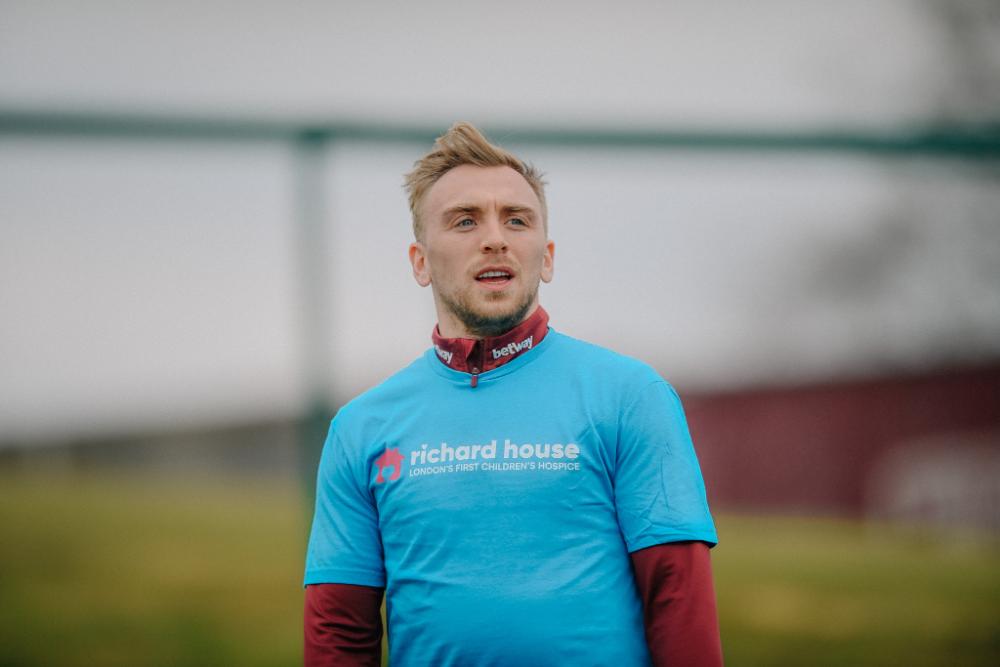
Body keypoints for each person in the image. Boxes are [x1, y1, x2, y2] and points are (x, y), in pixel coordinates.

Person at [303, 122, 723, 667]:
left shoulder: (631, 395)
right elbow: (338, 628)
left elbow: (678, 597)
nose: (495, 237)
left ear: (545, 256)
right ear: (420, 262)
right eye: (464, 221)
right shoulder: (361, 427)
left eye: (517, 220)